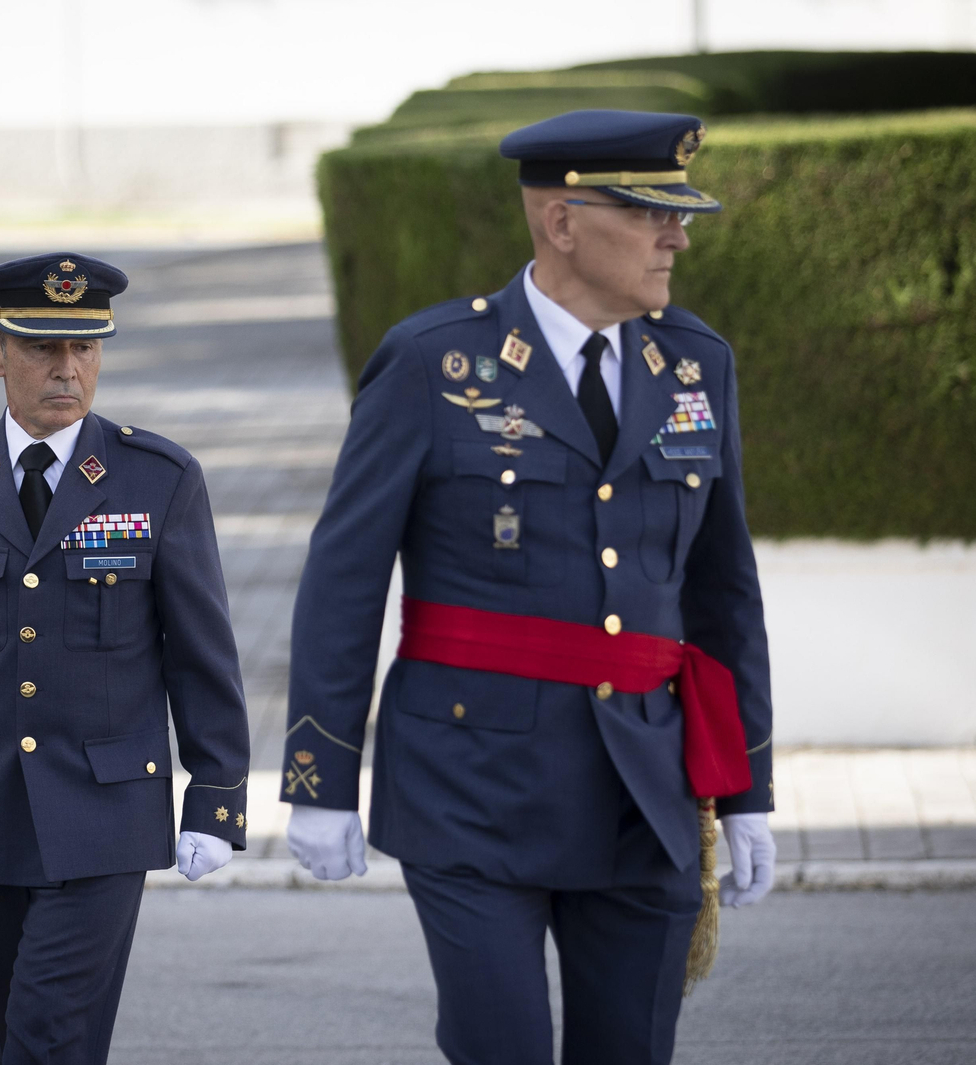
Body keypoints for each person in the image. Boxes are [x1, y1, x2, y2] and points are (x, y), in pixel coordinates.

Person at [281, 110, 776, 1065]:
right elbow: (345, 576)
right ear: (560, 222)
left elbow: (724, 589)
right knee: (497, 1045)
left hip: (646, 791)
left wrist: (748, 787)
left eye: (679, 216)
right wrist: (320, 778)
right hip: (473, 785)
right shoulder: (434, 363)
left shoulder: (695, 363)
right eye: (649, 214)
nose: (677, 235)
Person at [0, 252, 250, 1065]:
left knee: (42, 1037)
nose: (68, 370)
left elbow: (201, 652)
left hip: (106, 815)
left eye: (86, 349)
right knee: (19, 1045)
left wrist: (216, 792)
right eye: (42, 349)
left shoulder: (157, 479)